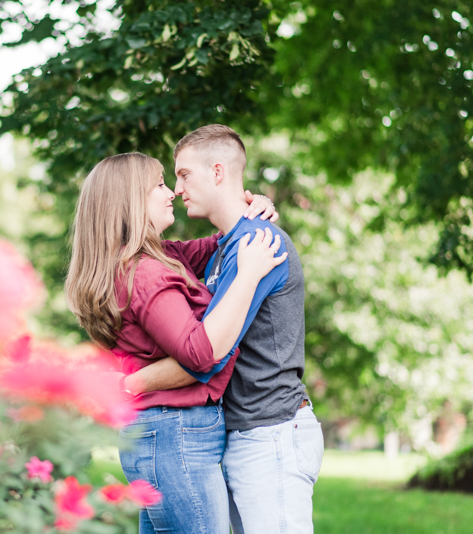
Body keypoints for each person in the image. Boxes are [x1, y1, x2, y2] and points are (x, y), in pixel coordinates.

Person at [65, 152, 287, 534]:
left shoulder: (156, 258)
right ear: (131, 200)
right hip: (176, 435)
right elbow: (201, 353)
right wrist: (248, 275)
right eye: (160, 185)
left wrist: (252, 207)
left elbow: (218, 242)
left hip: (158, 433)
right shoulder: (147, 273)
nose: (172, 193)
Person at [122, 125, 324, 534]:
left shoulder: (259, 244)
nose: (178, 189)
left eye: (183, 175)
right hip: (241, 434)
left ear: (218, 172)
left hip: (271, 435)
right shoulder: (225, 249)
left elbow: (208, 354)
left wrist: (131, 382)